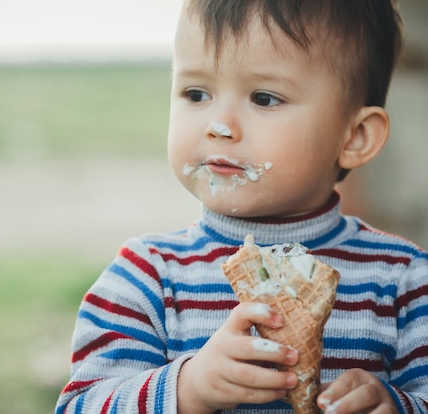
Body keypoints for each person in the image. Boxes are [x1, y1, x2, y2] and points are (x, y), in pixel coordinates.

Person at [56, 0, 428, 413]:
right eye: (196, 93)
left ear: (355, 136)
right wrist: (188, 388)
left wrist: (399, 406)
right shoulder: (147, 276)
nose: (219, 126)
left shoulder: (404, 281)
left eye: (264, 98)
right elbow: (81, 405)